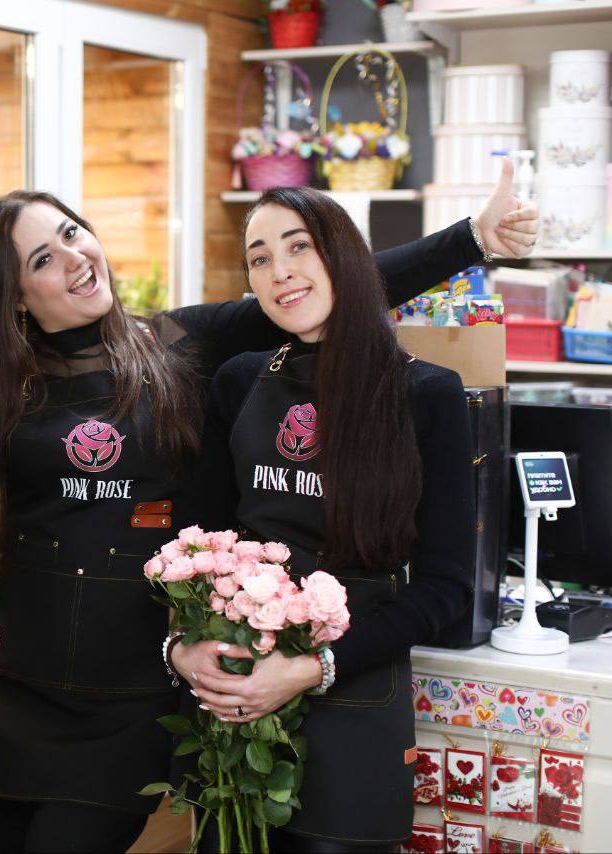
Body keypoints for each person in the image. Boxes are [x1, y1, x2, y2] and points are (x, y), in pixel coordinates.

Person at [0, 122, 536, 851]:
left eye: (73, 233)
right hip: (14, 685)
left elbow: (325, 284)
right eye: (42, 258)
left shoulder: (181, 345)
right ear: (14, 294)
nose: (74, 259)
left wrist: (471, 239)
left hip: (131, 689)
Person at [176, 186, 476, 849]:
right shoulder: (238, 380)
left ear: (344, 256)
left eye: (299, 247)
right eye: (259, 258)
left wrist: (312, 667)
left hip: (356, 703)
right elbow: (196, 542)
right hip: (240, 700)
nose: (279, 271)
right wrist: (182, 646)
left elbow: (445, 587)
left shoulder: (425, 393)